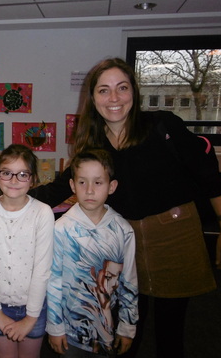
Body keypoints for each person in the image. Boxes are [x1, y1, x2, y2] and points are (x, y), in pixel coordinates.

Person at [30, 58, 221, 358]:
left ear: (134, 92)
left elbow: (208, 176)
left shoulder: (162, 126)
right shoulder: (93, 142)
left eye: (122, 88)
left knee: (170, 331)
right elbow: (61, 186)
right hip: (124, 241)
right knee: (126, 332)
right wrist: (10, 203)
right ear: (93, 98)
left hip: (175, 235)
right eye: (104, 90)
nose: (113, 98)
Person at [46, 149, 138, 357]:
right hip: (69, 331)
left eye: (98, 182)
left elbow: (129, 280)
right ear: (72, 185)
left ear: (111, 186)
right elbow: (53, 281)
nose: (89, 190)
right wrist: (55, 326)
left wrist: (128, 326)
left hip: (108, 329)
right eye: (82, 182)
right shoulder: (60, 229)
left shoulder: (123, 230)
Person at [0, 144, 54, 358]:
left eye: (22, 174)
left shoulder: (43, 213)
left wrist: (30, 318)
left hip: (33, 306)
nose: (14, 180)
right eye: (7, 173)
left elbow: (42, 270)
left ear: (33, 179)